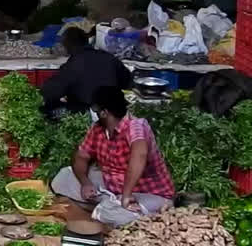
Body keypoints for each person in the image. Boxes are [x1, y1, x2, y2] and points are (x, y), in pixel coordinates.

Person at [51, 86, 174, 225]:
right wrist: (85, 183)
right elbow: (81, 156)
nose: (94, 114)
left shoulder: (136, 126)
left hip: (146, 194)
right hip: (112, 186)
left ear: (104, 112)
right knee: (63, 177)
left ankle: (111, 207)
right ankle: (107, 203)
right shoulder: (98, 128)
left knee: (111, 214)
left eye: (96, 110)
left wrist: (126, 195)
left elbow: (140, 155)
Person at [41, 28, 132, 116]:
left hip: (88, 111)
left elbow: (50, 91)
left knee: (47, 109)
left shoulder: (73, 64)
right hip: (114, 110)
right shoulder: (109, 58)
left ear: (68, 45)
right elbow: (127, 82)